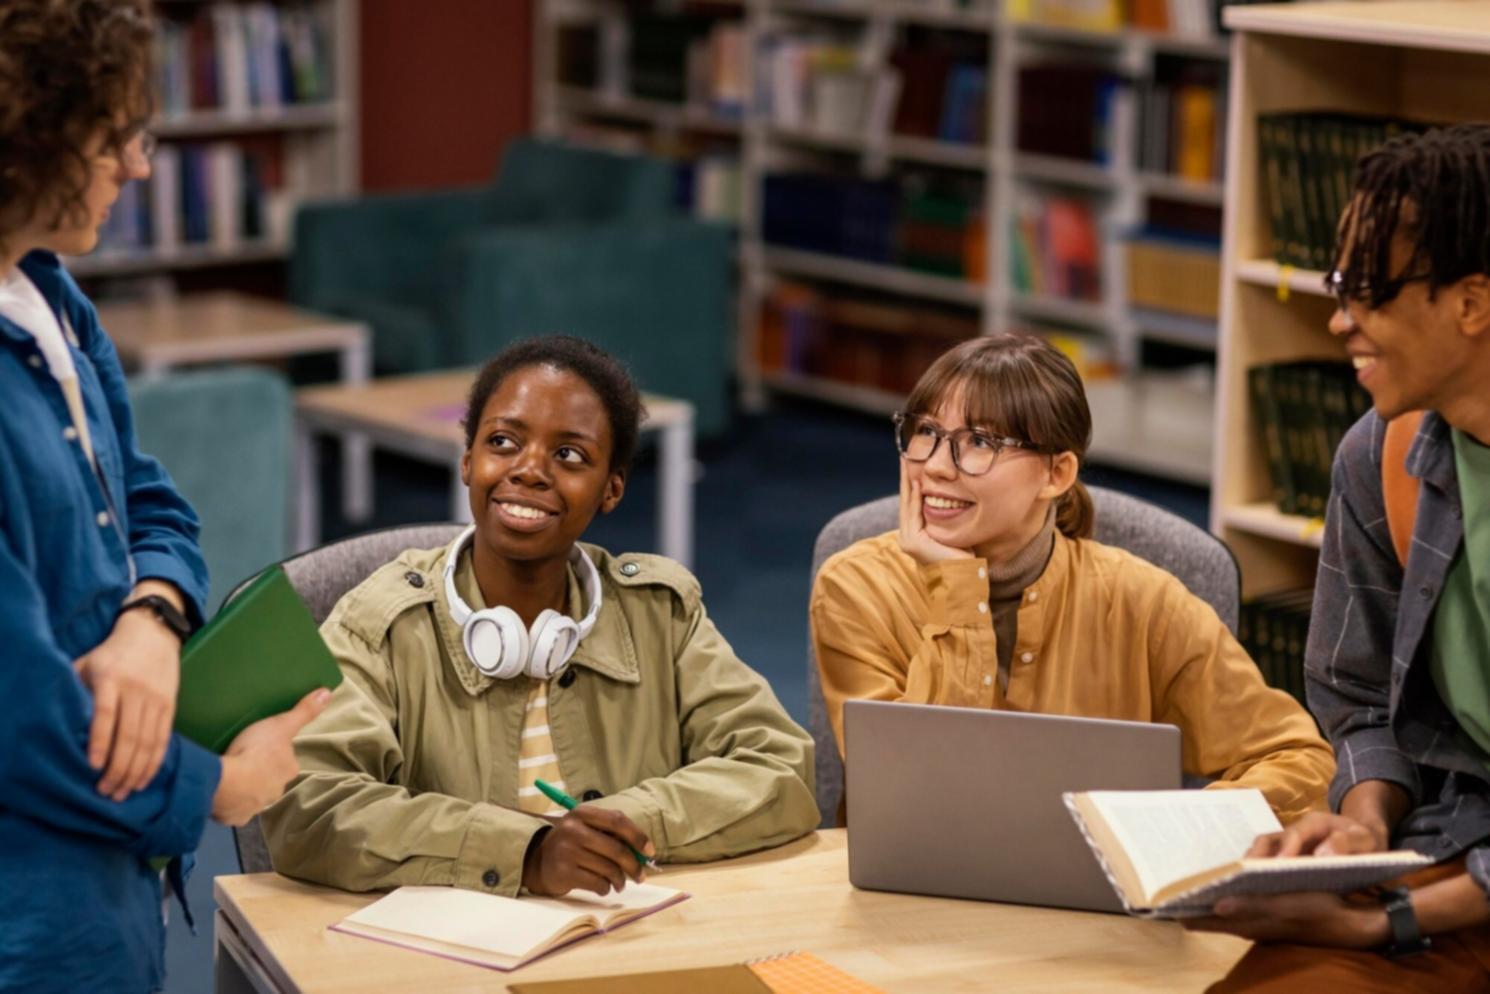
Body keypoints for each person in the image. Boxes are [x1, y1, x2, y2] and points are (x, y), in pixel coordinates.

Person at [0, 3, 330, 991]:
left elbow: (156, 507)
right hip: (33, 904)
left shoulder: (50, 296)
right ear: (30, 142)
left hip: (112, 874)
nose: (140, 169)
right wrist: (223, 787)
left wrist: (152, 615)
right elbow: (19, 711)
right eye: (117, 139)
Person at [262, 335, 818, 898]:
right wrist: (523, 854)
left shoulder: (661, 616)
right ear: (467, 460)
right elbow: (308, 807)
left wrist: (623, 828)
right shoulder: (379, 622)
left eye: (570, 455)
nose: (529, 471)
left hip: (623, 935)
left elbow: (782, 768)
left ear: (612, 489)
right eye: (502, 441)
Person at [1188, 125, 1490, 992]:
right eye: (1337, 285)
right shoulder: (1380, 455)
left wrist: (1387, 919)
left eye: (1368, 291)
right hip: (1448, 850)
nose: (1337, 318)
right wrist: (1362, 826)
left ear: (1471, 302)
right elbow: (1357, 698)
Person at [811, 334, 1334, 825]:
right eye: (926, 432)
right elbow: (913, 795)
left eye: (977, 442)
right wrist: (955, 589)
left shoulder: (1142, 601)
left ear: (1057, 474)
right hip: (909, 899)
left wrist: (1171, 828)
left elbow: (1298, 761)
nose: (937, 468)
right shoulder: (857, 587)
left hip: (1097, 903)